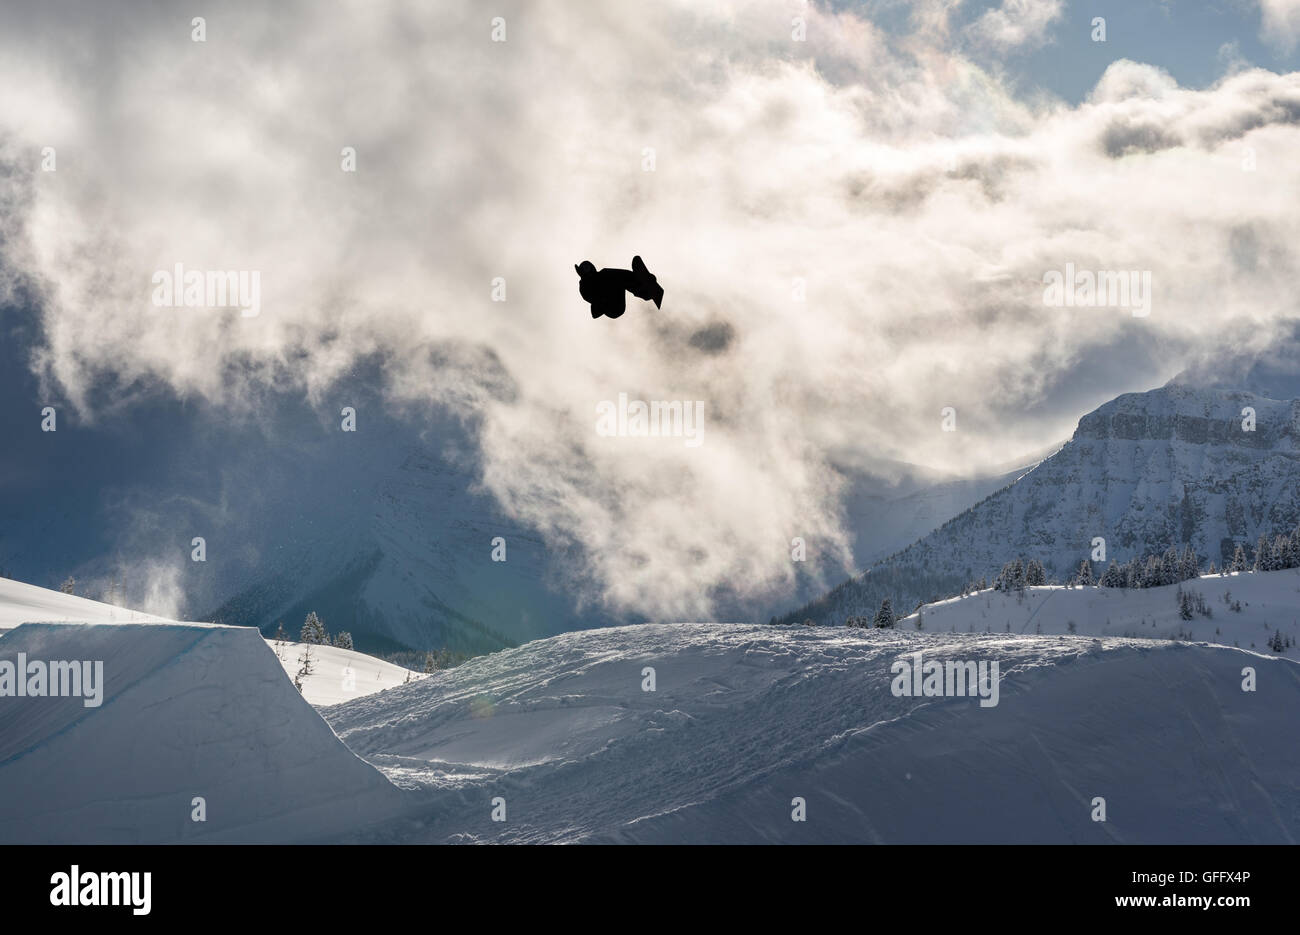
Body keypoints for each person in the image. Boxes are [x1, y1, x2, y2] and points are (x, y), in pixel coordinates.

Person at [575, 255, 663, 318]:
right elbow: (588, 296)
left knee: (612, 276)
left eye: (588, 267)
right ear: (582, 273)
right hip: (610, 307)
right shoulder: (584, 286)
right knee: (607, 275)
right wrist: (601, 300)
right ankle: (642, 288)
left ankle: (642, 288)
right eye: (585, 269)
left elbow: (621, 275)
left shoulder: (602, 275)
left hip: (617, 301)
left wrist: (640, 277)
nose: (588, 270)